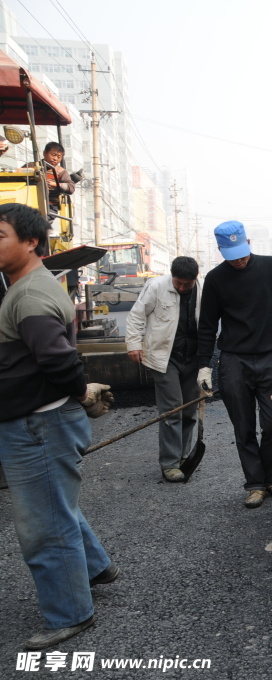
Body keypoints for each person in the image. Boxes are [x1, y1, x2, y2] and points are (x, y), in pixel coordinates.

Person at [0, 203, 117, 650]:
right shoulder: (28, 285)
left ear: (31, 242)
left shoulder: (28, 295)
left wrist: (81, 393)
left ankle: (71, 613)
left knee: (44, 523)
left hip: (38, 424)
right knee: (53, 503)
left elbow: (57, 359)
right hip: (38, 420)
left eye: (1, 235)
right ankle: (94, 567)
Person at [196, 221, 272, 509]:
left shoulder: (271, 266)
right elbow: (207, 326)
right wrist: (204, 366)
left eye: (242, 252)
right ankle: (255, 484)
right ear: (220, 251)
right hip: (234, 362)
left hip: (270, 358)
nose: (239, 260)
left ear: (249, 242)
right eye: (232, 255)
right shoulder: (215, 279)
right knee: (243, 426)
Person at [125, 256, 202, 483]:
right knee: (172, 409)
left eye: (186, 284)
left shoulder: (203, 289)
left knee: (189, 410)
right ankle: (169, 463)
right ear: (172, 276)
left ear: (194, 279)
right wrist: (134, 344)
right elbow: (137, 315)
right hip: (164, 357)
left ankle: (183, 455)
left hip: (193, 358)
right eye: (178, 283)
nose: (181, 288)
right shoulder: (156, 286)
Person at [24, 142, 76, 211]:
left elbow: (71, 188)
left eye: (59, 157)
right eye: (53, 155)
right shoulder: (31, 166)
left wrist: (54, 184)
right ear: (44, 153)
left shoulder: (61, 172)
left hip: (51, 205)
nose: (55, 159)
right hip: (29, 202)